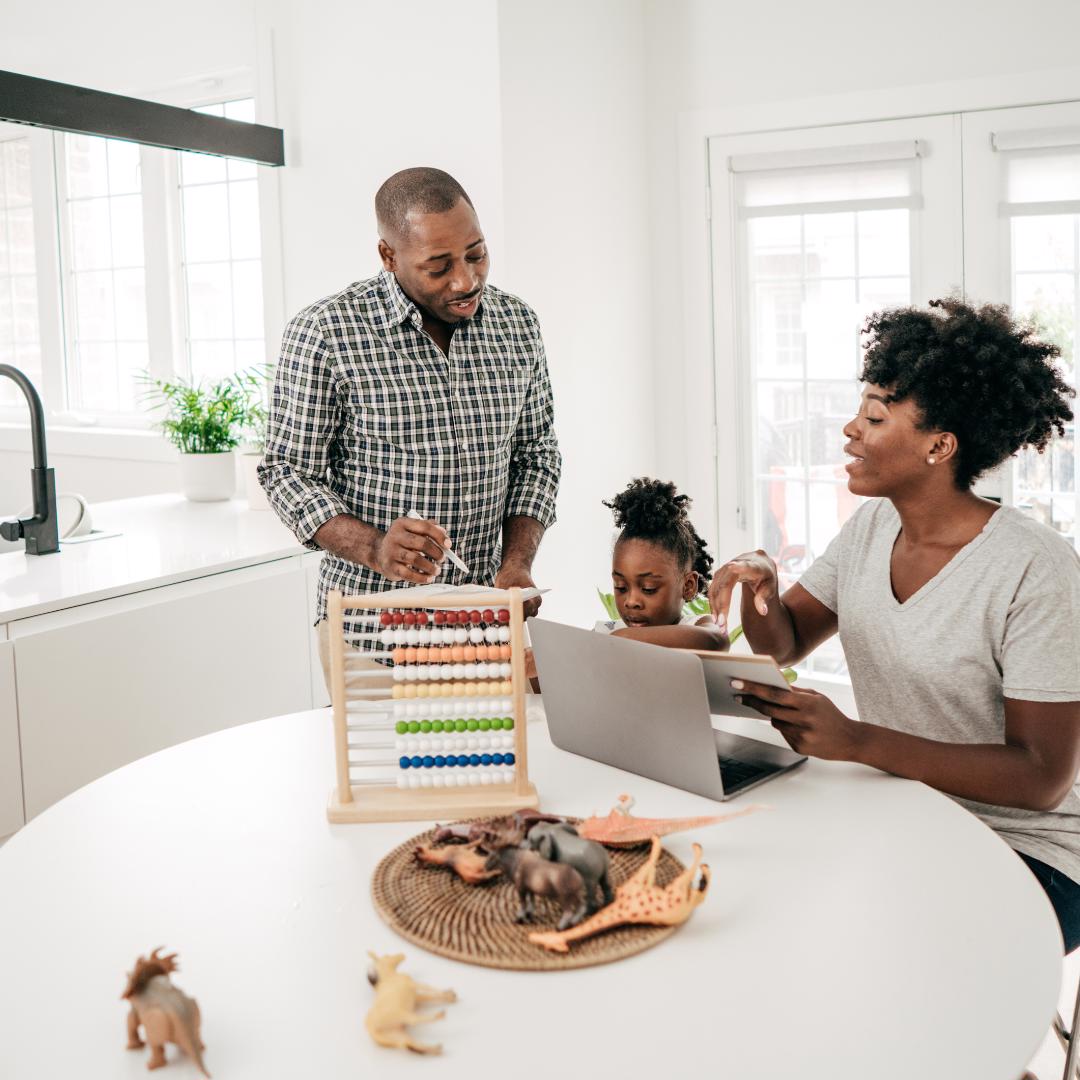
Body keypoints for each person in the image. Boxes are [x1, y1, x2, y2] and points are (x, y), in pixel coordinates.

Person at [708, 298, 1080, 951]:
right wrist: (761, 587)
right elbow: (787, 639)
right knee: (756, 892)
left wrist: (857, 741)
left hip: (1033, 851)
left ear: (940, 445)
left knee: (872, 939)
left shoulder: (1035, 568)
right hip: (904, 812)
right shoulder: (875, 527)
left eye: (875, 415)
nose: (850, 430)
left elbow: (1043, 777)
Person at [259, 167, 561, 683]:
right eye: (438, 266)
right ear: (388, 256)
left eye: (476, 254)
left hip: (487, 631)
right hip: (373, 637)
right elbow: (286, 472)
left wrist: (517, 563)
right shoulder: (325, 333)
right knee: (381, 768)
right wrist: (375, 547)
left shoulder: (518, 325)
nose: (466, 280)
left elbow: (537, 454)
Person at [526, 479, 726, 688]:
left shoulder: (697, 626)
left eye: (648, 588)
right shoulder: (604, 635)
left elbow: (714, 641)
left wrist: (619, 639)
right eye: (621, 587)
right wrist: (538, 663)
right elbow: (552, 687)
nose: (631, 601)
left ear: (688, 586)